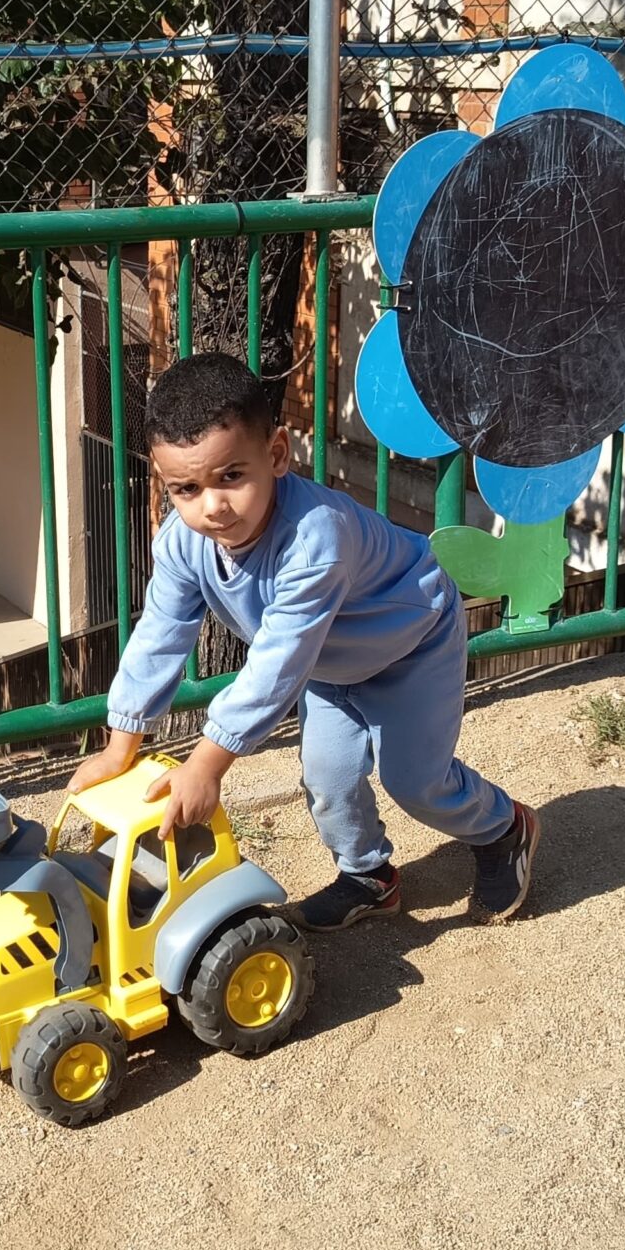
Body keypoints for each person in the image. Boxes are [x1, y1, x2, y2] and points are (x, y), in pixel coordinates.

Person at [71, 352, 540, 929]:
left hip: (410, 644)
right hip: (329, 661)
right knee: (328, 779)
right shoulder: (181, 543)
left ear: (276, 454)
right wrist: (121, 743)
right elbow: (159, 636)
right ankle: (369, 876)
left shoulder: (314, 540)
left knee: (416, 780)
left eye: (231, 476)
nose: (212, 507)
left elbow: (278, 662)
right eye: (186, 488)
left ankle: (503, 828)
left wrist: (207, 765)